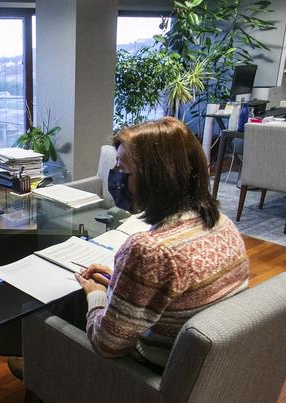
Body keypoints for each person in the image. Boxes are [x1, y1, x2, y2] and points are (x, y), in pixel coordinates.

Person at [74, 117, 250, 369]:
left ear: (155, 177)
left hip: (151, 373)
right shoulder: (223, 224)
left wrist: (97, 295)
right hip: (204, 364)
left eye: (122, 169)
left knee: (66, 306)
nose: (116, 177)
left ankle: (45, 370)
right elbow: (178, 290)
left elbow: (107, 345)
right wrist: (122, 282)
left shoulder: (150, 250)